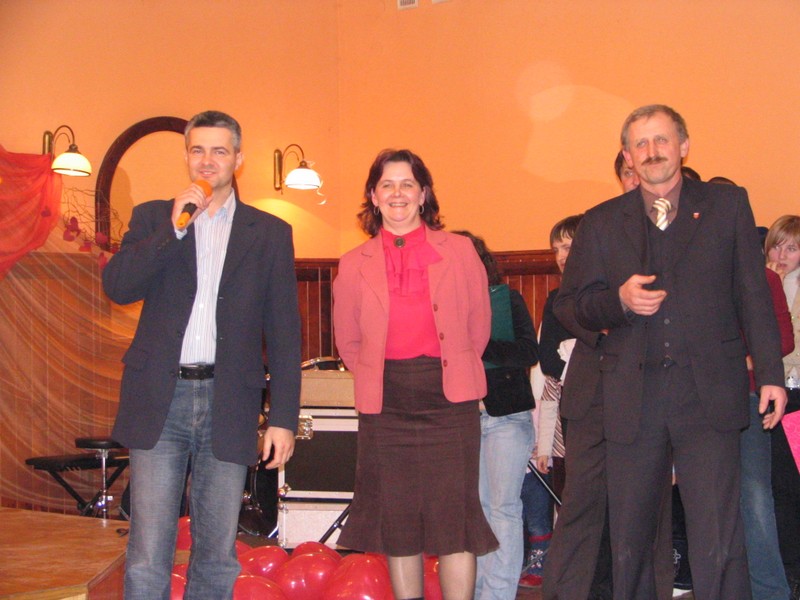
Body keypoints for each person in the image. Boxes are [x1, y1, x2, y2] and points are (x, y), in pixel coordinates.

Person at [556, 104, 787, 600]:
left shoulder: (728, 205)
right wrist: (618, 302)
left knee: (718, 537)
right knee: (631, 540)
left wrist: (770, 372)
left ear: (683, 146)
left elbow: (753, 295)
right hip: (631, 398)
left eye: (661, 140)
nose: (652, 151)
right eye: (640, 144)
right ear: (627, 157)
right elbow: (570, 305)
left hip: (709, 396)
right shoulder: (600, 222)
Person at [102, 110, 302, 600]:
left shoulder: (269, 233)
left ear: (238, 158)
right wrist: (172, 231)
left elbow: (284, 332)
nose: (207, 161)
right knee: (148, 552)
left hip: (228, 401)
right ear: (187, 156)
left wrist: (283, 418)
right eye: (197, 150)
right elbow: (118, 286)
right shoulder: (155, 217)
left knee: (215, 554)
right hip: (160, 398)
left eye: (219, 151)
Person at [332, 149, 497, 600]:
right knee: (398, 523)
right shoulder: (353, 262)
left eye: (407, 184)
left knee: (455, 523)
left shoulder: (460, 251)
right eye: (387, 185)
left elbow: (478, 327)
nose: (398, 193)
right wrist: (377, 375)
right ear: (373, 195)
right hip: (386, 404)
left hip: (450, 400)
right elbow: (348, 341)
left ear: (424, 194)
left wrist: (453, 367)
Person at [452, 230, 539, 600]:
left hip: (506, 417)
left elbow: (529, 352)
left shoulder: (506, 300)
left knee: (503, 509)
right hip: (462, 420)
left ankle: (498, 594)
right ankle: (477, 591)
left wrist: (478, 343)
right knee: (477, 510)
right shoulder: (438, 307)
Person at [764, 215, 800, 599]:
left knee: (791, 486)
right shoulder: (761, 283)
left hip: (796, 392)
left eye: (792, 247)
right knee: (779, 487)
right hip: (773, 393)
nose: (782, 254)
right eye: (776, 245)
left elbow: (789, 346)